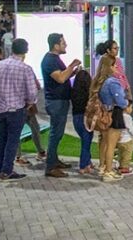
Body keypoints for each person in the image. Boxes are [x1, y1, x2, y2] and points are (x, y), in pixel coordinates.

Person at [0, 39, 38, 181]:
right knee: (12, 140)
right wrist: (30, 103)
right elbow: (32, 93)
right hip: (16, 109)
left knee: (1, 138)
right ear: (25, 51)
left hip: (0, 109)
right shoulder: (25, 68)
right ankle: (7, 170)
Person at [41, 33, 82, 178]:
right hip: (56, 102)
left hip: (60, 100)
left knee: (57, 133)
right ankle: (50, 166)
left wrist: (72, 72)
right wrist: (72, 66)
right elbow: (60, 78)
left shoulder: (55, 59)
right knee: (55, 134)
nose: (66, 45)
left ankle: (54, 160)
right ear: (55, 45)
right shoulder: (49, 61)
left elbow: (63, 76)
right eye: (63, 43)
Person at [92, 56, 128, 181]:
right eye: (114, 65)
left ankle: (103, 167)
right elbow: (121, 101)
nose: (116, 68)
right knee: (111, 145)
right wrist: (126, 103)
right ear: (109, 67)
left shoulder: (99, 81)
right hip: (114, 114)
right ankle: (108, 171)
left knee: (105, 143)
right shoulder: (112, 82)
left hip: (105, 114)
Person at [71, 69, 94, 175]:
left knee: (85, 141)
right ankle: (83, 165)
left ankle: (88, 162)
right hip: (86, 118)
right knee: (86, 143)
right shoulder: (89, 94)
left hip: (76, 118)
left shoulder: (73, 92)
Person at [117, 103, 133, 176]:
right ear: (126, 108)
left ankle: (120, 166)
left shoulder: (118, 115)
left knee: (120, 154)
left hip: (118, 140)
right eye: (131, 107)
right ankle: (124, 168)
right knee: (127, 154)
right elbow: (131, 128)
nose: (131, 109)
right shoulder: (127, 117)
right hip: (127, 140)